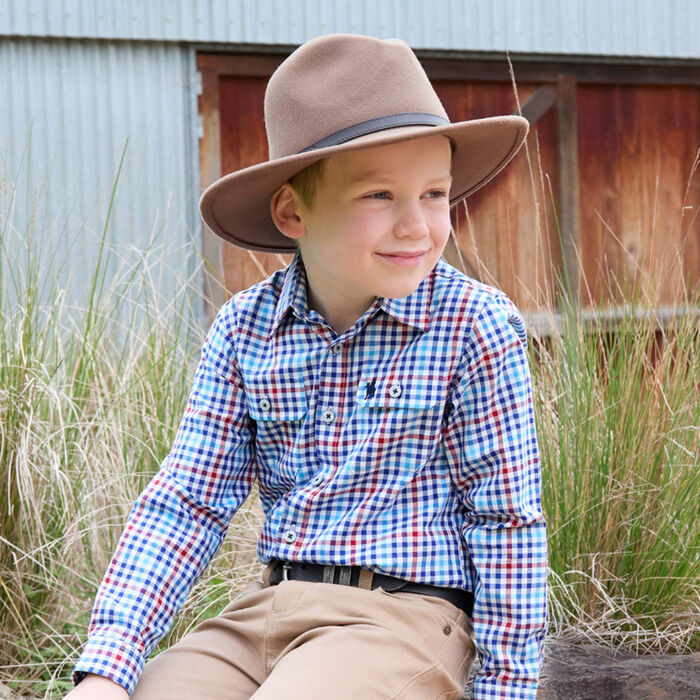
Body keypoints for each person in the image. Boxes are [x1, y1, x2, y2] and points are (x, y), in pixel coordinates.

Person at [67, 33, 547, 700]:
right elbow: (187, 503)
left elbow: (506, 521)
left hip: (405, 617)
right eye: (379, 195)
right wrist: (107, 668)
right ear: (294, 210)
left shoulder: (475, 325)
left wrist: (505, 689)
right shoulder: (244, 329)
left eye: (435, 194)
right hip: (268, 611)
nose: (417, 225)